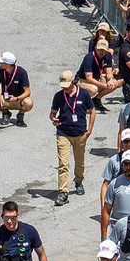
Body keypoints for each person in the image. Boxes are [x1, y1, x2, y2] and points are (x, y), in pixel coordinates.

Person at [50, 69, 94, 207]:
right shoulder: (58, 96)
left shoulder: (84, 94)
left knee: (79, 162)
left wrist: (89, 131)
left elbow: (92, 111)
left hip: (80, 133)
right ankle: (63, 192)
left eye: (67, 86)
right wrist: (53, 119)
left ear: (73, 82)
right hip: (63, 133)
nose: (65, 89)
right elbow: (52, 113)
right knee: (63, 164)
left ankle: (79, 181)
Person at [0, 52, 32, 126]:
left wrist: (17, 98)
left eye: (1, 62)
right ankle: (5, 113)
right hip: (5, 99)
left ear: (7, 64)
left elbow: (27, 91)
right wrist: (0, 97)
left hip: (18, 100)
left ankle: (20, 116)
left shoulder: (21, 72)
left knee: (29, 103)